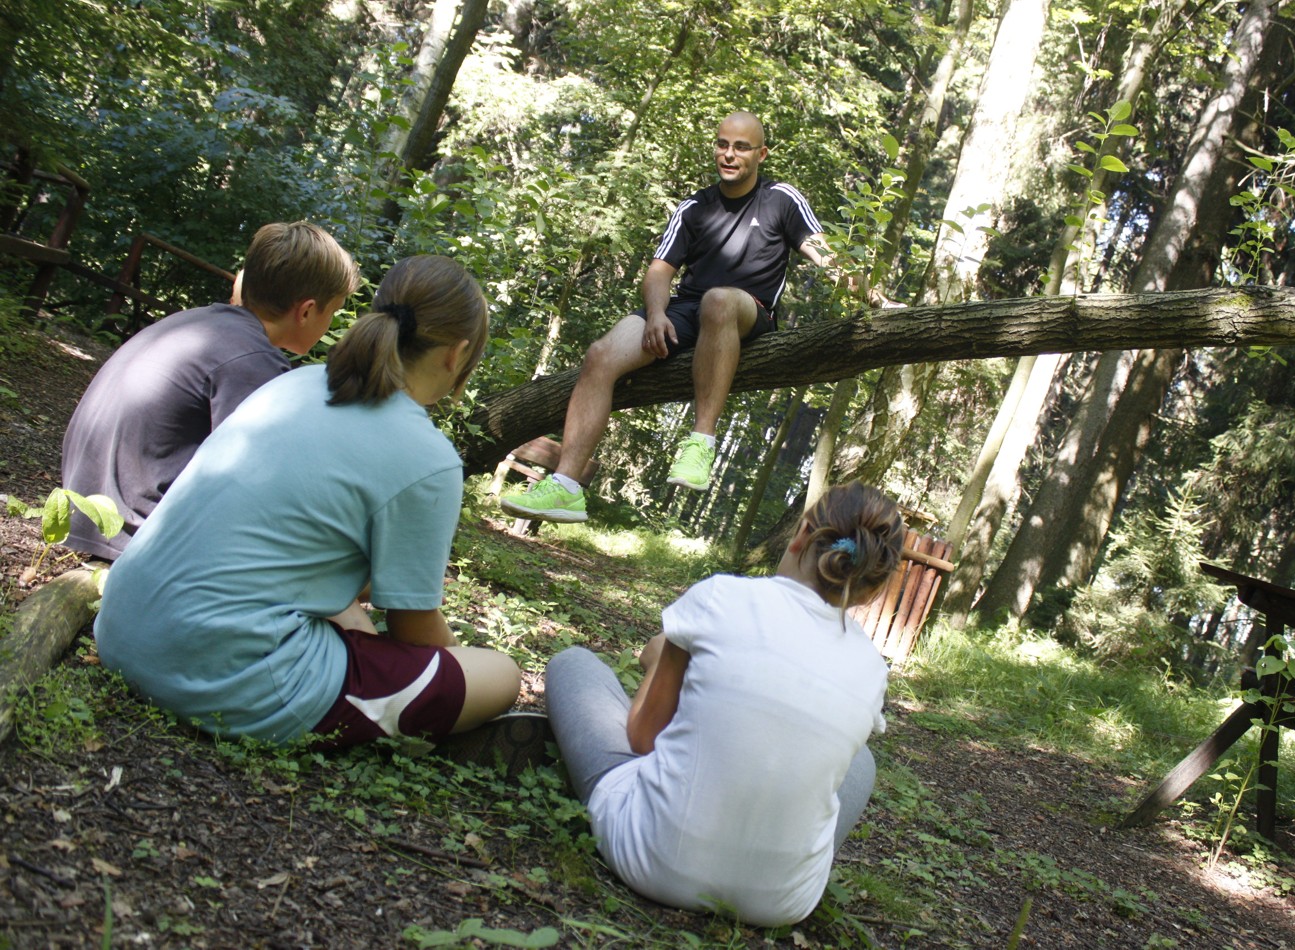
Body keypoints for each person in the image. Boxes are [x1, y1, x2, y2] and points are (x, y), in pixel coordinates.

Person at [96, 255, 528, 756]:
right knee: (499, 675)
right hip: (219, 678)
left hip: (122, 630)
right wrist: (460, 671)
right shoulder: (428, 458)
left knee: (348, 612)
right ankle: (411, 714)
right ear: (457, 354)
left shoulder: (292, 383)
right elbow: (413, 628)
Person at [543, 482, 906, 926]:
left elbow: (642, 738)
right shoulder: (872, 667)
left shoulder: (721, 595)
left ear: (801, 534)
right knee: (862, 763)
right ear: (872, 589)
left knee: (574, 663)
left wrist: (661, 657)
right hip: (780, 906)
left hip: (650, 862)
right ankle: (768, 867)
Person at [502, 111, 850, 523]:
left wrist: (877, 299)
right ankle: (566, 486)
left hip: (746, 310)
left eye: (741, 147)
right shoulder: (694, 207)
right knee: (600, 354)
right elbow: (659, 272)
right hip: (686, 310)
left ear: (761, 154)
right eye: (723, 144)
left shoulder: (781, 198)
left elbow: (827, 256)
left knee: (718, 301)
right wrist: (655, 315)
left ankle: (700, 442)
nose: (729, 154)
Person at [61, 221, 359, 559]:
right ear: (306, 311)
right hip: (135, 538)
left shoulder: (195, 323)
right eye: (332, 312)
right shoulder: (253, 361)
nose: (330, 323)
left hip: (85, 514)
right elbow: (263, 482)